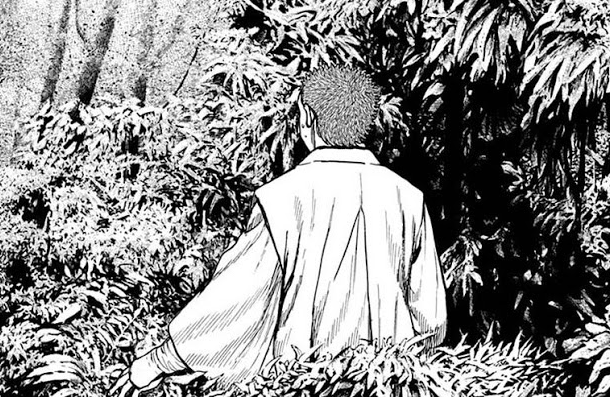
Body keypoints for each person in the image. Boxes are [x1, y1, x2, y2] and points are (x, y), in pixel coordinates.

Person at [112, 63, 447, 395]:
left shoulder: (280, 198)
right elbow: (430, 321)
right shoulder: (408, 198)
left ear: (307, 119)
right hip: (390, 386)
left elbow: (235, 303)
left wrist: (156, 362)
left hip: (305, 385)